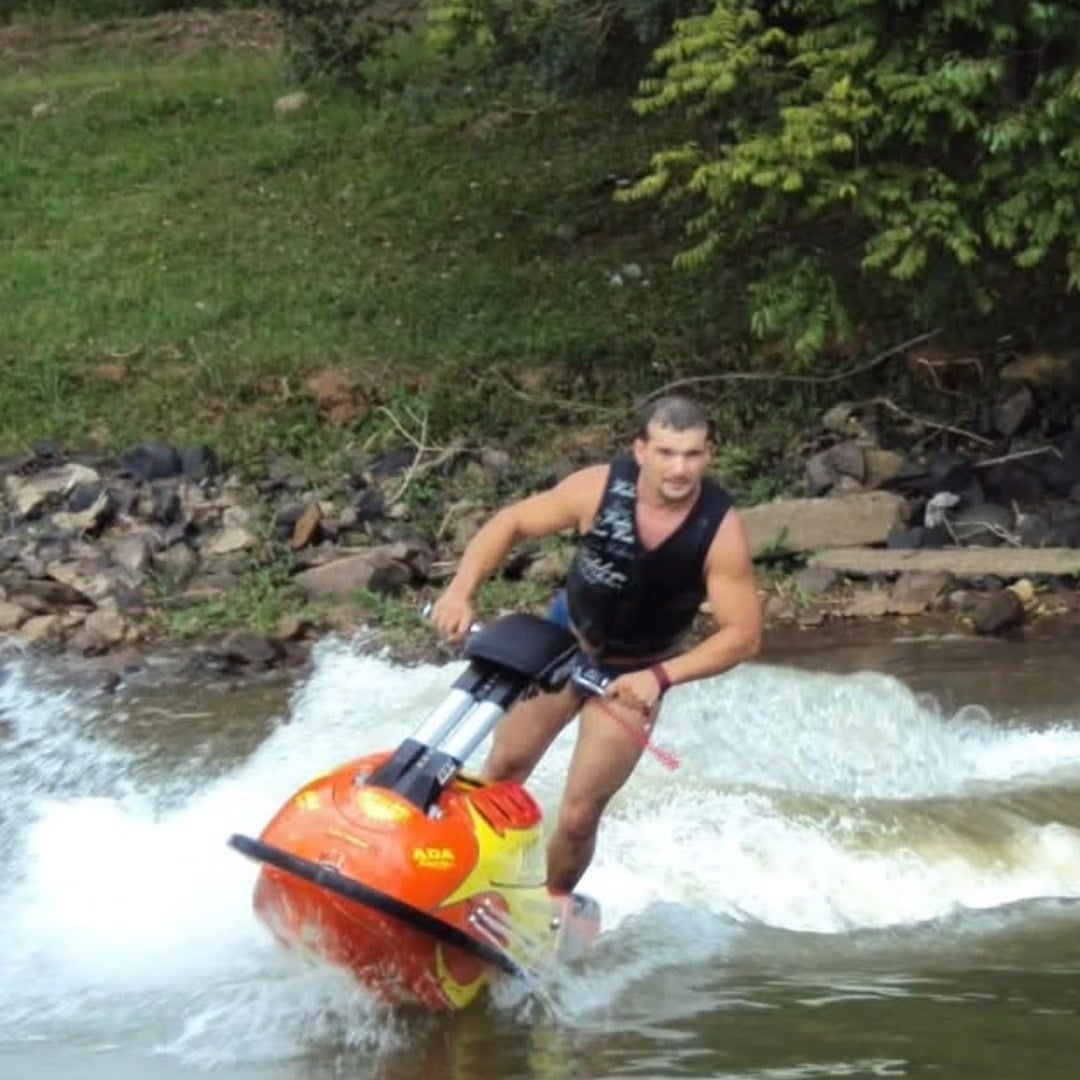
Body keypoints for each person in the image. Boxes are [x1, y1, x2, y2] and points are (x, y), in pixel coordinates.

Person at [431, 395, 762, 895]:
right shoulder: (598, 487)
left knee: (580, 814)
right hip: (566, 643)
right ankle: (466, 877)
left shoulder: (719, 530)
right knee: (504, 769)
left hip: (636, 672)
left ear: (708, 454)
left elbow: (743, 635)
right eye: (667, 453)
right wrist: (460, 592)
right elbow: (511, 522)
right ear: (641, 450)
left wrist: (659, 677)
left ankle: (552, 906)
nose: (679, 469)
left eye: (692, 454)